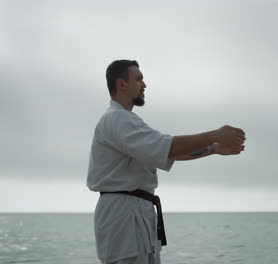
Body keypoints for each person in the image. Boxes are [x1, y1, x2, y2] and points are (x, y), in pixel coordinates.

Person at [87, 59, 246, 264]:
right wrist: (215, 135)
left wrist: (213, 149)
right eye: (139, 79)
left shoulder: (125, 121)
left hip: (134, 213)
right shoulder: (117, 119)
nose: (144, 85)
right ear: (122, 84)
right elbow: (167, 147)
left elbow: (166, 152)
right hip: (124, 216)